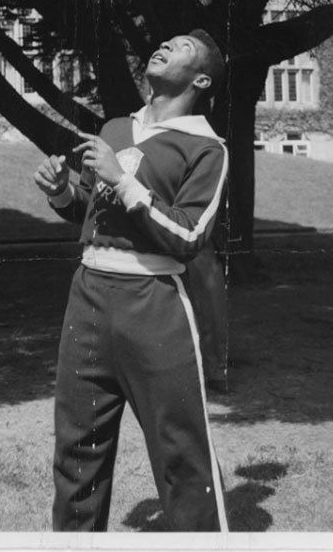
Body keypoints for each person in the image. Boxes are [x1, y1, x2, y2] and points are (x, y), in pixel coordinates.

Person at [33, 29, 229, 532]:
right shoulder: (117, 127)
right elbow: (96, 210)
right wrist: (62, 194)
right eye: (164, 42)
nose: (163, 46)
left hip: (154, 303)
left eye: (181, 47)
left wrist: (123, 179)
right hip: (88, 297)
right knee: (76, 452)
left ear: (201, 78)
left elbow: (188, 236)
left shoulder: (207, 148)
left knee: (180, 454)